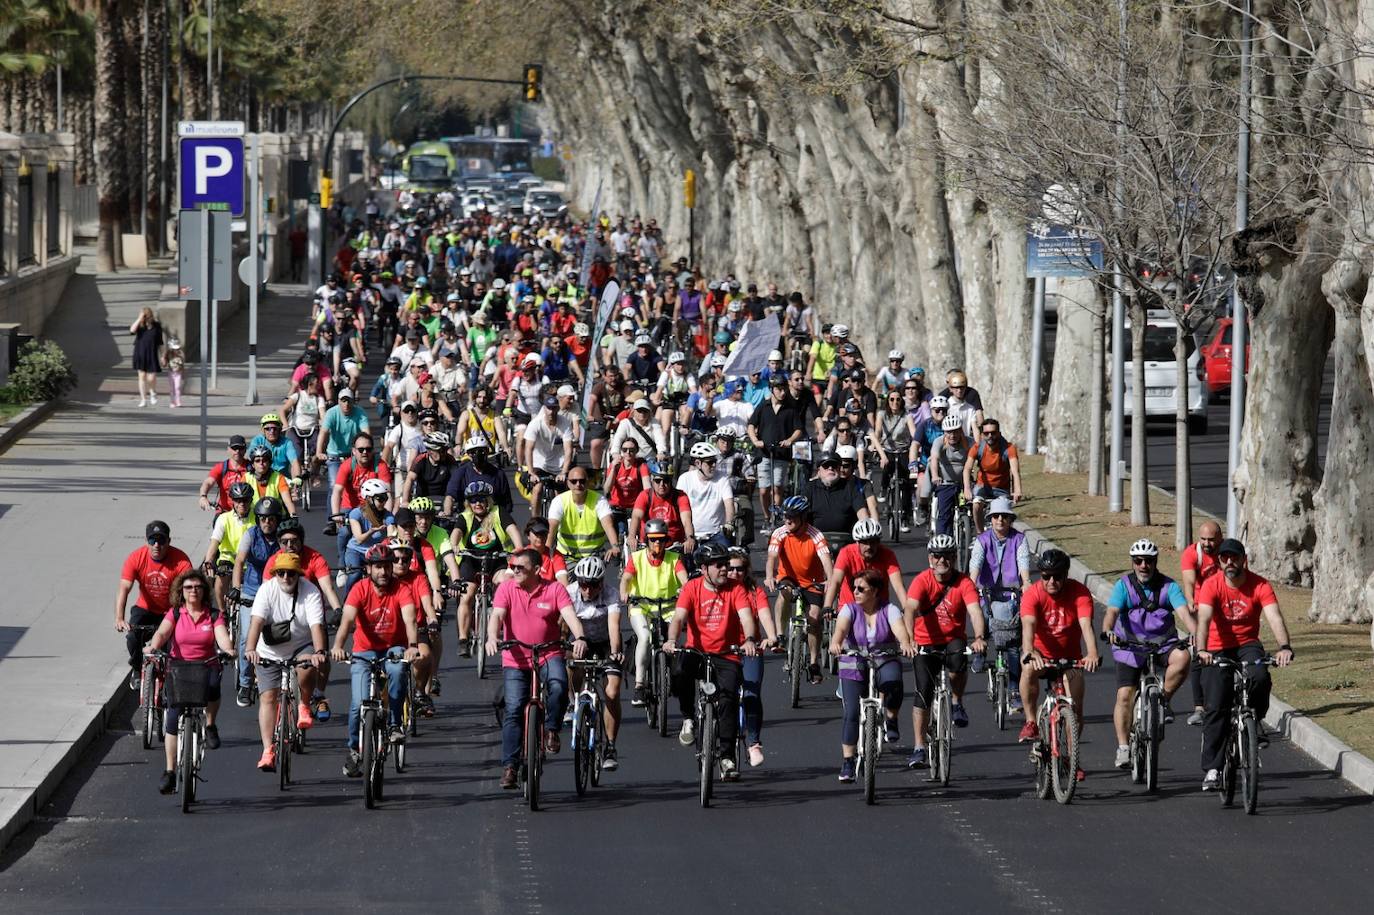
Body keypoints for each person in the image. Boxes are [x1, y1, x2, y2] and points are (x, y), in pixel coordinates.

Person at [1194, 538, 1294, 792]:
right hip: (1216, 646)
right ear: (1219, 561)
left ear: (1243, 560)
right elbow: (1204, 619)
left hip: (1247, 643)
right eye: (1225, 558)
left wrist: (1284, 647)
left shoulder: (1259, 585)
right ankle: (1214, 769)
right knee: (1216, 704)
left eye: (1234, 558)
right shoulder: (1211, 585)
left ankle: (1255, 719)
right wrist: (1202, 650)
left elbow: (1274, 616)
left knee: (1260, 676)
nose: (1230, 562)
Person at [487, 547, 590, 790]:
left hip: (548, 653)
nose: (514, 571)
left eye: (520, 568)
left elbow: (569, 615)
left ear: (536, 569)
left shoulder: (554, 589)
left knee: (559, 685)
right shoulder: (506, 588)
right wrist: (492, 637)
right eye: (512, 568)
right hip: (515, 658)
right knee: (513, 708)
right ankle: (510, 766)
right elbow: (497, 616)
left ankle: (552, 730)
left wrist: (580, 637)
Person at [663, 544, 760, 782]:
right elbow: (678, 617)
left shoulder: (736, 588)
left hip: (727, 653)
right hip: (697, 651)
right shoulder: (692, 587)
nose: (725, 569)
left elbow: (746, 617)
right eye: (719, 565)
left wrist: (748, 639)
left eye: (726, 564)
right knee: (679, 671)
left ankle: (727, 758)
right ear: (704, 568)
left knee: (727, 699)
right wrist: (672, 640)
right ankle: (688, 717)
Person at [1102, 539, 1193, 770]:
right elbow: (1112, 611)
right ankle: (1123, 747)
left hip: (1163, 644)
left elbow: (1184, 613)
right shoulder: (1124, 585)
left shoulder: (1169, 586)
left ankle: (1163, 700)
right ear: (1133, 563)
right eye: (1138, 561)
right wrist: (1108, 630)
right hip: (1129, 647)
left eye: (1149, 561)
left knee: (1183, 658)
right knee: (1125, 695)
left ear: (1156, 562)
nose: (1144, 565)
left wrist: (1196, 634)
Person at [332, 545, 421, 777]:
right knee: (357, 703)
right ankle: (354, 750)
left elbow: (410, 620)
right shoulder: (359, 589)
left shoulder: (402, 589)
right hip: (364, 651)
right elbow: (347, 622)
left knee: (398, 671)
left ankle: (394, 724)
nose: (383, 571)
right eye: (378, 566)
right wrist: (338, 646)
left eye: (387, 566)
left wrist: (412, 647)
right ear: (369, 568)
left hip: (394, 648)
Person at [143, 568, 234, 794]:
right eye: (188, 587)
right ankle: (170, 771)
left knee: (214, 688)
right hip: (179, 669)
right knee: (172, 718)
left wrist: (228, 649)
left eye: (198, 587)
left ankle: (211, 726)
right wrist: (154, 646)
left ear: (204, 591)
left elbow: (221, 635)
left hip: (206, 665)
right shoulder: (175, 614)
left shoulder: (213, 615)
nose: (193, 591)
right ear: (181, 591)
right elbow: (163, 633)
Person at [902, 534, 986, 768]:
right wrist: (909, 640)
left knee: (959, 660)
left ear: (954, 558)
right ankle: (919, 747)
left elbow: (975, 611)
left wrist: (979, 637)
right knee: (923, 693)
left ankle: (957, 702)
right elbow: (909, 609)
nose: (942, 560)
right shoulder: (922, 580)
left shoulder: (964, 583)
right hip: (924, 642)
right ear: (930, 558)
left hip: (952, 639)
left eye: (947, 556)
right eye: (937, 556)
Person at [1017, 549, 1100, 783]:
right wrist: (1030, 651)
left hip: (1070, 658)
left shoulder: (1079, 593)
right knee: (1028, 669)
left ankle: (1070, 759)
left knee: (1075, 708)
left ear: (1065, 575)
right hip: (1041, 655)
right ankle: (1032, 721)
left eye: (1056, 576)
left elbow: (1086, 626)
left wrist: (1092, 653)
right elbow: (1028, 627)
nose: (1051, 581)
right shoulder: (1033, 594)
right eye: (1045, 576)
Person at [244, 552, 328, 772]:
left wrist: (319, 651)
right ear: (275, 574)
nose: (285, 577)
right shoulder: (267, 590)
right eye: (280, 573)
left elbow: (316, 626)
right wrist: (250, 649)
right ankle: (267, 750)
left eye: (290, 573)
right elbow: (256, 622)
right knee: (268, 697)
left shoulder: (310, 591)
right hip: (269, 651)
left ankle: (304, 705)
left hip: (301, 645)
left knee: (307, 666)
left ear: (298, 574)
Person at [830, 568, 915, 782]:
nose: (855, 592)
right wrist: (836, 643)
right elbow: (840, 630)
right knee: (851, 713)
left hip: (884, 658)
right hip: (853, 661)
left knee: (894, 682)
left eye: (861, 588)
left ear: (875, 591)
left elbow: (900, 630)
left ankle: (891, 718)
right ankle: (848, 761)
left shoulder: (890, 610)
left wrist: (905, 643)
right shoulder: (849, 610)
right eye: (854, 588)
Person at [967, 496, 1032, 710]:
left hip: (1011, 595)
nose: (1000, 520)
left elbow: (1023, 562)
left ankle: (1014, 690)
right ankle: (980, 650)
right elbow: (975, 562)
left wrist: (1026, 583)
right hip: (987, 592)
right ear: (990, 519)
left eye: (1005, 516)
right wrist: (972, 583)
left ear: (1010, 519)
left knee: (1013, 642)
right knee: (983, 617)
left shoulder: (1019, 539)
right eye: (996, 516)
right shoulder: (982, 540)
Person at [115, 521, 193, 690]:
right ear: (146, 541)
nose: (157, 545)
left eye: (161, 540)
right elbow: (124, 588)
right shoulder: (136, 558)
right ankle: (137, 669)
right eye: (152, 541)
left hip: (171, 610)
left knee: (175, 645)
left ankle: (172, 677)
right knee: (132, 637)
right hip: (146, 608)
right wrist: (120, 618)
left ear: (169, 541)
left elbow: (190, 590)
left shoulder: (181, 560)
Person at [565, 556, 626, 771]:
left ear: (601, 583)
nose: (587, 590)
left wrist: (616, 651)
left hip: (605, 643)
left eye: (592, 585)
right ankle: (574, 701)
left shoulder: (611, 595)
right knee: (570, 662)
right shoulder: (570, 593)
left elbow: (614, 626)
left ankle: (610, 746)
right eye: (583, 584)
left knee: (612, 691)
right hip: (579, 641)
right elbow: (562, 622)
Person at [765, 495, 834, 683]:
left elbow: (826, 561)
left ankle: (813, 663)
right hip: (789, 578)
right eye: (786, 516)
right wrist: (770, 576)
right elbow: (771, 557)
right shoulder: (780, 533)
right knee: (784, 592)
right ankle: (780, 636)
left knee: (814, 619)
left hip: (812, 582)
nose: (788, 520)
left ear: (803, 517)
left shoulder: (815, 535)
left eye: (793, 517)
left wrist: (829, 580)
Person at [620, 519, 688, 706]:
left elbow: (685, 580)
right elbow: (626, 578)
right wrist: (624, 592)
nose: (657, 544)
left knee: (674, 643)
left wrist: (685, 590)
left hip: (668, 607)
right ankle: (640, 686)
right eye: (653, 540)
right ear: (647, 540)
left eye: (661, 540)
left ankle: (674, 675)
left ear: (667, 540)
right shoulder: (637, 558)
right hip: (641, 607)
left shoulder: (674, 559)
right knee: (645, 637)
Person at [451, 481, 521, 654]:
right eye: (473, 500)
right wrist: (454, 545)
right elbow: (456, 533)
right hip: (472, 560)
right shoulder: (465, 516)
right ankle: (463, 639)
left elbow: (512, 530)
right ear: (468, 502)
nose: (477, 503)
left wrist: (519, 548)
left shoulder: (498, 513)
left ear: (488, 500)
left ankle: (504, 624)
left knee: (506, 582)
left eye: (481, 499)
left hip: (497, 559)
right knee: (466, 595)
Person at [728, 549, 779, 768]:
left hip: (751, 650)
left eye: (740, 568)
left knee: (751, 694)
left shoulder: (754, 591)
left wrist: (772, 636)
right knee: (722, 698)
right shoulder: (720, 591)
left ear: (747, 570)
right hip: (724, 651)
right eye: (730, 568)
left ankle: (753, 742)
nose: (735, 573)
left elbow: (765, 615)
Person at [230, 498, 284, 705]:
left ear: (277, 520)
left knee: (280, 633)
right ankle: (245, 684)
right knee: (246, 638)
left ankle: (279, 679)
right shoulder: (250, 535)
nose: (266, 522)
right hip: (252, 592)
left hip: (276, 591)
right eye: (262, 518)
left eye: (271, 519)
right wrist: (236, 588)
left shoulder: (283, 538)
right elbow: (239, 562)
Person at [1180, 520, 1222, 727]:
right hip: (1201, 606)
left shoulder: (1228, 553)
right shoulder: (1192, 554)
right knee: (1199, 652)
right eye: (1203, 539)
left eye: (1211, 540)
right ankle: (1199, 707)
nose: (1207, 544)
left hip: (1224, 607)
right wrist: (1190, 601)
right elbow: (1188, 581)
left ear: (1220, 538)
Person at [748, 376, 800, 525]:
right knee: (764, 490)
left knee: (777, 487)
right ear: (772, 390)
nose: (782, 393)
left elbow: (798, 429)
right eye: (779, 389)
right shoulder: (763, 406)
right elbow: (751, 425)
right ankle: (766, 516)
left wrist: (790, 440)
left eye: (784, 389)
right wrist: (755, 441)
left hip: (782, 454)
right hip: (764, 453)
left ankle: (775, 516)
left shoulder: (790, 408)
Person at [823, 517, 904, 610]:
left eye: (873, 542)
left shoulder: (888, 555)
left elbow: (898, 585)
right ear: (857, 542)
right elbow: (836, 581)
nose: (869, 546)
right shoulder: (846, 553)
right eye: (865, 542)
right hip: (850, 608)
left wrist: (907, 608)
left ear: (878, 542)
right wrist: (827, 606)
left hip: (879, 608)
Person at [548, 467, 622, 562]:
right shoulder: (559, 501)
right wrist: (545, 554)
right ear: (568, 483)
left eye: (582, 481)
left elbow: (608, 525)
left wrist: (615, 546)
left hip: (594, 558)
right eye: (574, 481)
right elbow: (551, 529)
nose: (578, 484)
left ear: (587, 482)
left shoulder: (599, 500)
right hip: (566, 558)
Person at [963, 418, 1023, 532]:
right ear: (982, 435)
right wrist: (967, 488)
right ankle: (980, 535)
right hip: (982, 486)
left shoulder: (1009, 448)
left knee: (1003, 513)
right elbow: (967, 468)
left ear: (999, 433)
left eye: (993, 433)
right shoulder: (977, 448)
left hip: (1002, 488)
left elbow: (1015, 471)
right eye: (986, 433)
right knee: (976, 505)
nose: (990, 436)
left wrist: (1017, 490)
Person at [677, 442, 736, 553]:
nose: (714, 465)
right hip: (691, 536)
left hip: (716, 534)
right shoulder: (685, 479)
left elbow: (729, 504)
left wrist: (729, 523)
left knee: (725, 561)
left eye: (715, 462)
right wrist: (687, 535)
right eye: (710, 463)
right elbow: (680, 508)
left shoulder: (722, 478)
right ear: (698, 463)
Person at [317, 390, 371, 493]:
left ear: (353, 402)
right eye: (343, 400)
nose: (346, 404)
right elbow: (323, 432)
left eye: (348, 401)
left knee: (358, 485)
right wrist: (319, 452)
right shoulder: (331, 413)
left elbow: (366, 434)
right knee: (334, 486)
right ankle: (333, 509)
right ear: (338, 401)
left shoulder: (360, 413)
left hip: (353, 454)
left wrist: (367, 450)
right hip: (334, 455)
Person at [804, 451, 869, 536]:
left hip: (846, 540)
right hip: (815, 540)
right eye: (826, 466)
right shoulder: (810, 488)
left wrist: (865, 529)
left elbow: (861, 511)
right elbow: (801, 515)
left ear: (839, 468)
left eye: (834, 465)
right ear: (819, 470)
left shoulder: (850, 487)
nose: (830, 468)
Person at [927, 414, 970, 536]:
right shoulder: (939, 441)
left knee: (969, 506)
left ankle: (968, 532)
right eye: (949, 432)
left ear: (961, 430)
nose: (953, 435)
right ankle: (942, 542)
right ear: (944, 432)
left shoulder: (969, 442)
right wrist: (935, 475)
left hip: (963, 484)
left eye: (956, 431)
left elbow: (978, 458)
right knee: (944, 515)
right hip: (945, 483)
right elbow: (934, 458)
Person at [198, 436, 250, 514]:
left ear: (245, 449)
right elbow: (208, 482)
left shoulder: (251, 467)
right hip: (224, 512)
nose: (237, 451)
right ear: (228, 449)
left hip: (246, 512)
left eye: (240, 448)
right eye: (234, 448)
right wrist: (203, 496)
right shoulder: (221, 467)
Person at [130, 306, 164, 407]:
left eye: (146, 316)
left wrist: (163, 355)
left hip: (152, 353)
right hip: (140, 353)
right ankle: (143, 399)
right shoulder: (140, 326)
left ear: (150, 315)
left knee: (151, 377)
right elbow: (131, 330)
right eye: (143, 316)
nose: (145, 318)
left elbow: (160, 342)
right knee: (142, 376)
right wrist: (139, 319)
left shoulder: (157, 326)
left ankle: (152, 392)